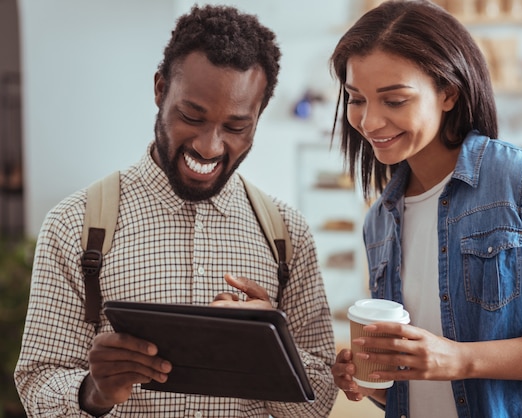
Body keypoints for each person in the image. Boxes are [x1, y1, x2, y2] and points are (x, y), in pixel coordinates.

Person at [14, 5, 337, 417]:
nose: (209, 146)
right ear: (160, 88)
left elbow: (320, 403)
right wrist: (92, 392)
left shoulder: (288, 234)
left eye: (236, 127)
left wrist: (272, 349)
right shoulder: (74, 225)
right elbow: (37, 382)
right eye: (191, 116)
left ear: (258, 117)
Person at [329, 1, 522, 417]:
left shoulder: (520, 182)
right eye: (356, 99)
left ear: (448, 93)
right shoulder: (381, 219)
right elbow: (425, 381)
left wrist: (462, 359)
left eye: (394, 100)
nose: (370, 121)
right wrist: (372, 378)